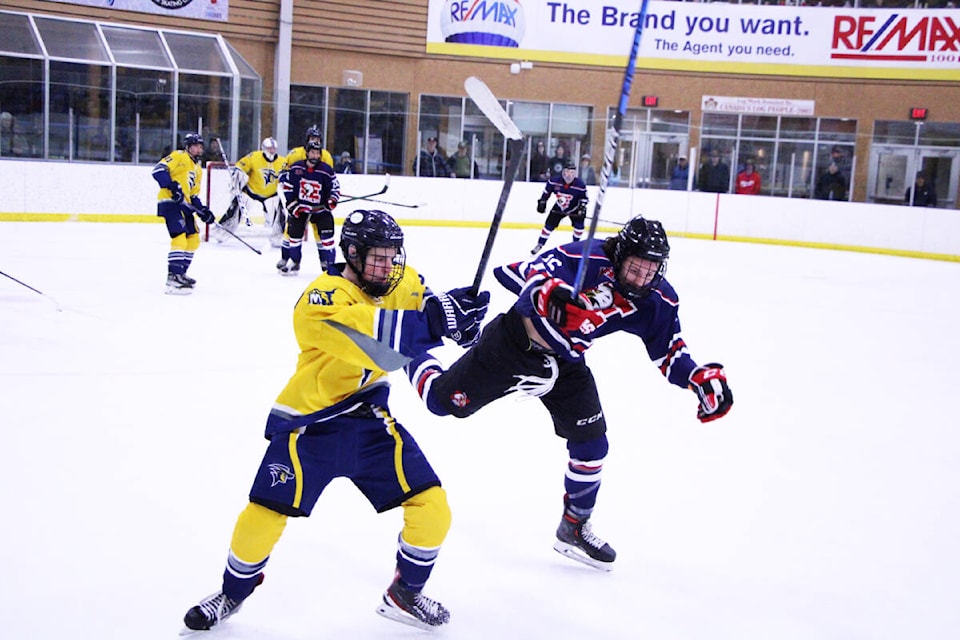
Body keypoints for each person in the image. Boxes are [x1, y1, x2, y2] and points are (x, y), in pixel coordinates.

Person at [181, 209, 491, 634]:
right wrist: (437, 322)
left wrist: (462, 318)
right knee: (265, 512)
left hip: (371, 421)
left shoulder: (399, 282)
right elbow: (378, 341)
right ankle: (232, 593)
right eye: (378, 258)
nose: (388, 266)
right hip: (310, 424)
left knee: (433, 506)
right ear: (351, 253)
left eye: (392, 256)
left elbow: (427, 313)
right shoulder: (322, 297)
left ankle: (404, 594)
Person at [405, 215, 733, 571]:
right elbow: (520, 272)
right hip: (513, 344)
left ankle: (574, 526)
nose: (641, 279)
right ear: (620, 255)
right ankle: (408, 348)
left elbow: (670, 353)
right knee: (442, 402)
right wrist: (548, 293)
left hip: (566, 361)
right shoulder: (585, 259)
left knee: (592, 443)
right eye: (635, 268)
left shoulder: (657, 299)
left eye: (650, 271)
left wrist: (698, 377)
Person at [151, 132, 215, 294]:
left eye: (201, 146)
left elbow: (193, 196)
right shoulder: (179, 156)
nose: (199, 149)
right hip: (170, 203)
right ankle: (173, 277)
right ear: (188, 147)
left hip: (184, 206)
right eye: (196, 146)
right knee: (179, 237)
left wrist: (203, 211)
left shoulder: (198, 169)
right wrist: (173, 186)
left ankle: (181, 273)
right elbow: (158, 170)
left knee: (193, 238)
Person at [276, 140, 340, 275]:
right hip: (301, 209)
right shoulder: (296, 168)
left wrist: (332, 200)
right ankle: (294, 262)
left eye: (317, 153)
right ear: (307, 153)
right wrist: (293, 205)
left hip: (321, 210)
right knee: (294, 236)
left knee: (327, 238)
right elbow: (288, 187)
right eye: (312, 152)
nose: (315, 156)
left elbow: (335, 187)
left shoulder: (326, 171)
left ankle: (330, 266)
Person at [215, 137, 286, 248]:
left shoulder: (282, 161)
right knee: (234, 211)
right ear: (263, 148)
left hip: (271, 194)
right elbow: (241, 166)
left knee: (279, 216)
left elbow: (288, 174)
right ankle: (222, 232)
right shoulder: (254, 157)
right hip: (250, 192)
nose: (271, 151)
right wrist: (237, 176)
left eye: (273, 148)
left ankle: (279, 237)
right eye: (269, 148)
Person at [530, 158, 589, 255]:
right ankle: (539, 244)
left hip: (575, 208)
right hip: (559, 207)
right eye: (567, 172)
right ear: (563, 172)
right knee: (548, 226)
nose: (569, 175)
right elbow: (546, 192)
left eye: (572, 173)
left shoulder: (580, 185)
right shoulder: (554, 181)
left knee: (579, 227)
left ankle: (576, 245)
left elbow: (584, 198)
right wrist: (542, 201)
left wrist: (582, 207)